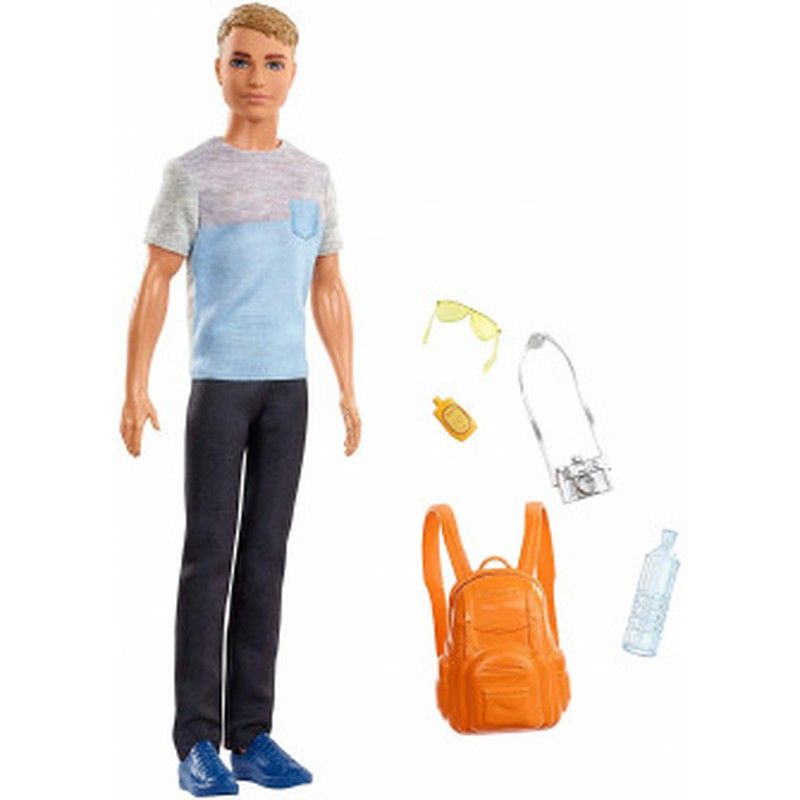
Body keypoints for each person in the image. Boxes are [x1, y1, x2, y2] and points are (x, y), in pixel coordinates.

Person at [119, 4, 360, 794]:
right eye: (242, 61)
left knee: (267, 556)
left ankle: (251, 734)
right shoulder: (191, 174)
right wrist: (134, 385)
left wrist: (348, 387)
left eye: (273, 63)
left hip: (288, 391)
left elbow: (329, 282)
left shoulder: (313, 177)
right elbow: (156, 278)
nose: (257, 77)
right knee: (209, 556)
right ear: (219, 69)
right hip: (220, 386)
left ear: (294, 74)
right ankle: (196, 740)